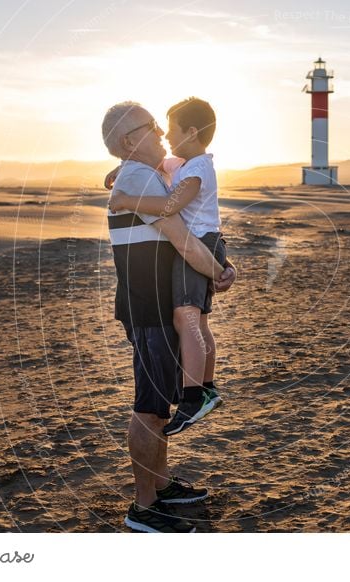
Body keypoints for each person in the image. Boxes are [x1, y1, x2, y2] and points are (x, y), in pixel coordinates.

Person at [101, 101, 236, 533]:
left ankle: (159, 487)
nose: (160, 131)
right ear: (128, 141)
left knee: (158, 405)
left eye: (162, 125)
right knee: (149, 407)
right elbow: (183, 241)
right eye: (151, 126)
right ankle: (145, 509)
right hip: (150, 308)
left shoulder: (146, 172)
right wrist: (220, 272)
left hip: (156, 306)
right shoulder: (139, 176)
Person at [108, 98, 225, 436]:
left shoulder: (198, 168)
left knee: (186, 317)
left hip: (201, 243)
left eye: (168, 129)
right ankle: (205, 387)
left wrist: (128, 200)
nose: (163, 134)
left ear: (191, 132)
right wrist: (120, 169)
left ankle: (195, 395)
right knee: (196, 319)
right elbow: (163, 164)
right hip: (202, 245)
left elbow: (172, 206)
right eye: (155, 129)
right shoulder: (183, 163)